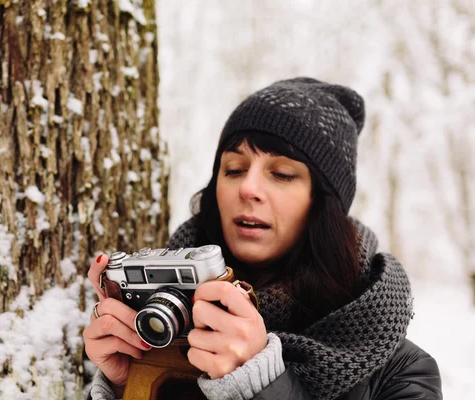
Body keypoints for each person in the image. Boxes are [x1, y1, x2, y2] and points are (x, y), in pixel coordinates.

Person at [83, 77, 443, 399]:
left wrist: (258, 383)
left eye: (283, 173)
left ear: (323, 205)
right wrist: (128, 384)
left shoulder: (402, 374)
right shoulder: (162, 325)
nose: (249, 188)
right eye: (234, 169)